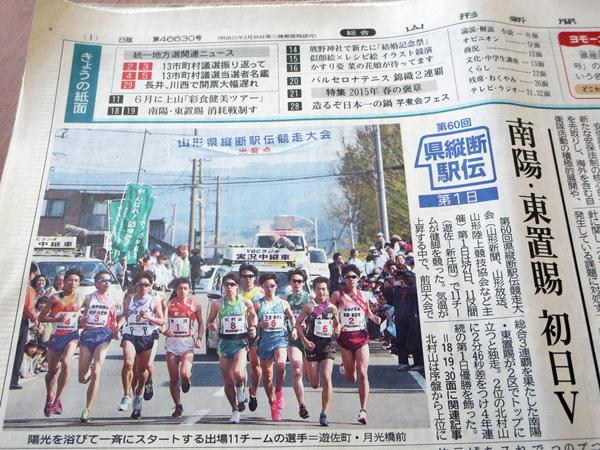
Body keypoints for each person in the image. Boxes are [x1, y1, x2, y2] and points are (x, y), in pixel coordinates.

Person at [331, 264, 381, 425]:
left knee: (363, 373)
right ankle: (345, 368)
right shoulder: (338, 295)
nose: (351, 279)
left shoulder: (364, 295)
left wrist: (374, 318)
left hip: (361, 336)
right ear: (343, 278)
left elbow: (368, 312)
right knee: (351, 378)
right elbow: (325, 309)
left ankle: (363, 411)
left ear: (358, 278)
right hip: (345, 338)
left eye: (354, 277)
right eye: (348, 277)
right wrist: (314, 315)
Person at [207, 273, 257, 424]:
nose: (229, 287)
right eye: (226, 284)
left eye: (232, 284)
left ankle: (241, 390)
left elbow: (253, 315)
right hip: (224, 343)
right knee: (228, 381)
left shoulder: (245, 302)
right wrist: (212, 325)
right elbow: (210, 321)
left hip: (240, 342)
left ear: (237, 286)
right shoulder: (217, 304)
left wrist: (253, 327)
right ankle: (235, 410)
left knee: (238, 372)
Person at [117, 270, 164, 419]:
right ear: (136, 286)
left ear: (150, 287)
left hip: (147, 336)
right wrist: (117, 326)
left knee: (142, 370)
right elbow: (125, 315)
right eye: (140, 285)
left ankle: (139, 394)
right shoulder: (129, 299)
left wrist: (149, 317)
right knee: (129, 363)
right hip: (130, 335)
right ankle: (126, 394)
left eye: (146, 285)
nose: (143, 287)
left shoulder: (153, 301)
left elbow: (162, 320)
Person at [38, 268, 84, 417]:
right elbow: (41, 318)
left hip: (71, 336)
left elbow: (87, 314)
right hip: (56, 337)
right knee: (52, 372)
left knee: (66, 363)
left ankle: (58, 399)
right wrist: (55, 319)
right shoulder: (55, 298)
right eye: (70, 280)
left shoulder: (81, 298)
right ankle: (49, 397)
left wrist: (82, 320)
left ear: (79, 283)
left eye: (76, 281)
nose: (73, 283)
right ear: (64, 282)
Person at [295, 276, 340, 426]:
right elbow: (297, 324)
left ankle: (324, 413)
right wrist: (305, 341)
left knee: (327, 377)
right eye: (318, 289)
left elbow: (336, 323)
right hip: (312, 345)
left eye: (323, 289)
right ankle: (308, 369)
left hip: (327, 345)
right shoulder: (309, 306)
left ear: (327, 291)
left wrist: (338, 329)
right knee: (314, 384)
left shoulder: (332, 307)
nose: (321, 292)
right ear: (314, 290)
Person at [77, 270, 120, 422]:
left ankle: (87, 409)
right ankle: (87, 372)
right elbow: (76, 311)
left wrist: (116, 332)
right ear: (96, 283)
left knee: (97, 371)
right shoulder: (88, 298)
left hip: (103, 335)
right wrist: (80, 318)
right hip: (88, 335)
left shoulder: (113, 301)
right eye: (102, 280)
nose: (106, 282)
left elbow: (114, 321)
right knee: (82, 378)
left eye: (109, 280)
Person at [254, 272, 296, 421]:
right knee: (267, 376)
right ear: (262, 287)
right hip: (265, 342)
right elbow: (250, 323)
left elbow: (291, 317)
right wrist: (259, 324)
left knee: (281, 365)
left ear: (276, 286)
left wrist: (295, 329)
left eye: (272, 286)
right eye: (266, 286)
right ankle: (272, 404)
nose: (269, 288)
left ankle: (279, 392)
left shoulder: (283, 303)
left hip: (280, 340)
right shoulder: (258, 304)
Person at [162, 278, 203, 417]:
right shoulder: (169, 305)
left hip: (187, 344)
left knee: (184, 373)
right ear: (176, 290)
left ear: (189, 290)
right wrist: (164, 330)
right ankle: (178, 404)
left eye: (186, 288)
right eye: (180, 288)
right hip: (172, 345)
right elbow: (162, 321)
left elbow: (201, 323)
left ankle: (186, 380)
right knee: (173, 379)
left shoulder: (195, 305)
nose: (183, 291)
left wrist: (199, 338)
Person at [238, 263, 264, 412]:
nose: (247, 279)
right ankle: (241, 391)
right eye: (244, 276)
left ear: (255, 278)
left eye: (250, 276)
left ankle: (253, 393)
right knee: (240, 367)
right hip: (238, 333)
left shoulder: (261, 292)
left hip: (256, 332)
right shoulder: (235, 292)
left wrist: (256, 325)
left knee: (255, 365)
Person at [285, 269, 310, 419]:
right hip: (293, 339)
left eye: (299, 281)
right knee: (296, 369)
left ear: (304, 283)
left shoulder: (310, 298)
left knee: (311, 379)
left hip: (310, 339)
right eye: (294, 281)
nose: (296, 284)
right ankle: (302, 405)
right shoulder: (286, 300)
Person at [10, 263, 39, 390]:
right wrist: (35, 319)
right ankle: (12, 380)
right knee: (17, 351)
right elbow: (28, 308)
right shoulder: (27, 288)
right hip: (21, 321)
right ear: (31, 273)